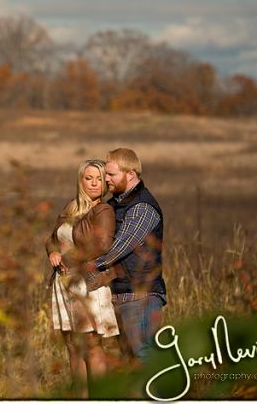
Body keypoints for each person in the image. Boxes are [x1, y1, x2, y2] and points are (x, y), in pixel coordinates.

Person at [78, 148, 166, 365]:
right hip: (121, 294)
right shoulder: (116, 204)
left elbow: (120, 247)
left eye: (111, 175)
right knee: (130, 362)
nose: (106, 179)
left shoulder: (142, 207)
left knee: (145, 357)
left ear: (131, 174)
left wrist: (89, 266)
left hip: (140, 297)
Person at [46, 159, 119, 397]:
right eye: (89, 178)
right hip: (63, 283)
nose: (95, 183)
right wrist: (53, 252)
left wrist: (69, 258)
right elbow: (52, 238)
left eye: (99, 179)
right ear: (81, 181)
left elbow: (103, 244)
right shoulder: (71, 208)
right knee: (71, 343)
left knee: (91, 344)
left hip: (86, 283)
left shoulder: (103, 210)